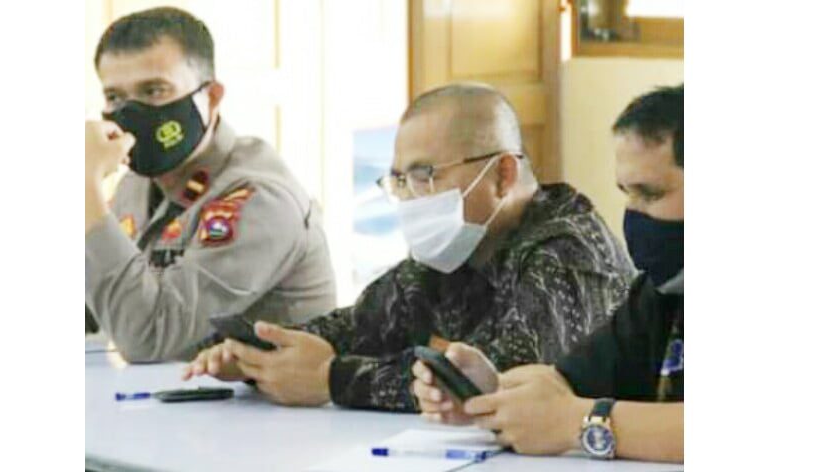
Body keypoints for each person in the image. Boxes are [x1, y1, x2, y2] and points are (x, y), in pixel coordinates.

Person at [184, 83, 636, 411]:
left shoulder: (570, 250)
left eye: (424, 176)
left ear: (502, 176)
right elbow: (357, 325)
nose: (410, 197)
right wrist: (257, 355)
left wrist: (331, 379)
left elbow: (503, 378)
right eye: (399, 180)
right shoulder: (453, 251)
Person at [410, 85, 684, 463]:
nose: (633, 214)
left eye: (650, 194)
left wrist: (580, 423)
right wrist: (493, 395)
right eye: (627, 193)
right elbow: (570, 383)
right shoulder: (664, 290)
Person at [85, 7, 337, 362]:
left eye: (154, 90)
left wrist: (83, 190)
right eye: (115, 98)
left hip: (262, 398)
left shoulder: (262, 200)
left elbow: (150, 336)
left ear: (212, 97)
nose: (130, 114)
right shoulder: (135, 187)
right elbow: (97, 306)